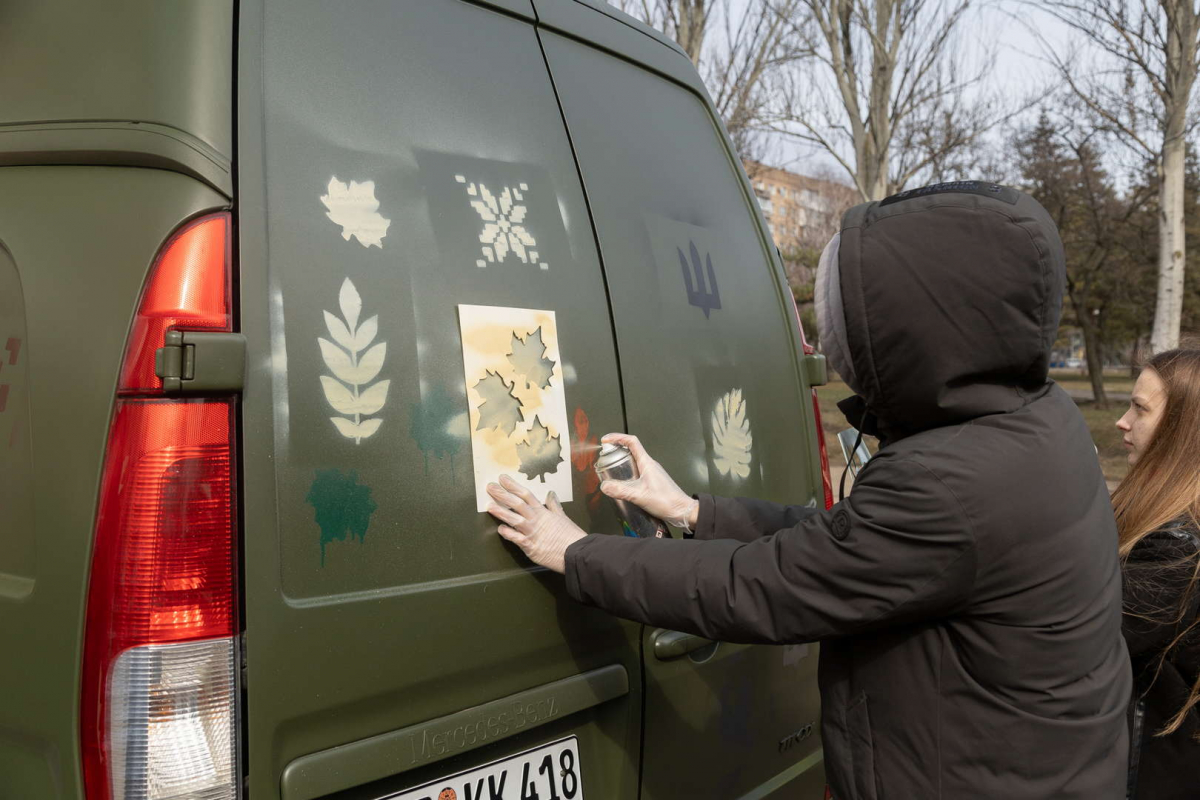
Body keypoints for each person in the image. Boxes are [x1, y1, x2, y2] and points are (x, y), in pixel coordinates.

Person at [486, 183, 1131, 799]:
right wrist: (693, 511)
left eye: (851, 319)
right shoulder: (1032, 422)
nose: (835, 342)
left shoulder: (951, 481)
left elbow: (764, 585)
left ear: (918, 325)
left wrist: (573, 551)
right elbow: (850, 545)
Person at [1112, 347, 1200, 799]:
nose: (1122, 422)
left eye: (1139, 408)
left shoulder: (1179, 547)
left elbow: (1090, 634)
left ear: (1183, 429)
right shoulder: (1158, 512)